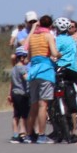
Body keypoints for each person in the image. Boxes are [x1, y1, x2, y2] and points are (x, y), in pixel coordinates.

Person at [23, 13, 59, 144]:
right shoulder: (48, 36)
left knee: (33, 105)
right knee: (43, 105)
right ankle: (42, 135)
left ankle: (28, 135)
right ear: (50, 25)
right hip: (46, 72)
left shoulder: (33, 37)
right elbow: (54, 53)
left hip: (33, 72)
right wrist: (59, 54)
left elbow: (28, 58)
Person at [8, 48, 30, 143]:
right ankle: (22, 133)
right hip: (22, 94)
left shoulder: (13, 69)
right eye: (26, 57)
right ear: (21, 57)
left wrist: (9, 94)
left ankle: (15, 134)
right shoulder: (22, 68)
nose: (27, 60)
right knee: (24, 115)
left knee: (16, 115)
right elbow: (27, 78)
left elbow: (11, 83)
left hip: (14, 93)